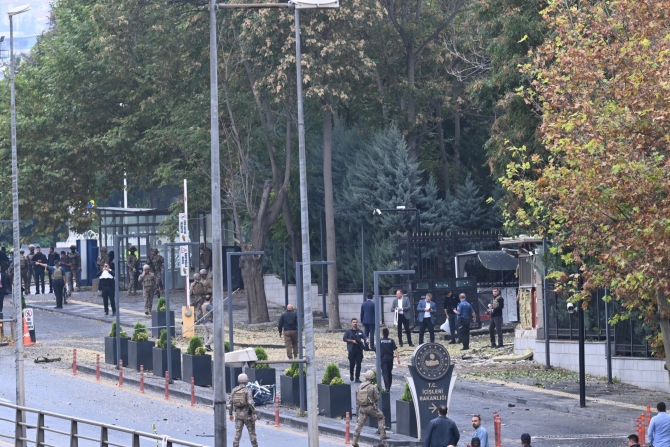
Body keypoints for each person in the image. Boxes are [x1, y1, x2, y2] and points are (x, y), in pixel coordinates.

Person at [353, 370, 389, 447]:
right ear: (372, 378)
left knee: (359, 424)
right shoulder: (373, 387)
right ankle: (383, 434)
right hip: (371, 408)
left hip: (362, 408)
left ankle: (354, 441)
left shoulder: (361, 386)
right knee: (381, 417)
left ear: (365, 377)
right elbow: (378, 397)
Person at [228, 373, 257, 447]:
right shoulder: (247, 390)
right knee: (252, 433)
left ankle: (235, 445)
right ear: (246, 380)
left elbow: (230, 403)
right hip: (247, 415)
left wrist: (230, 414)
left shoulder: (234, 390)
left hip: (238, 415)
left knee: (238, 433)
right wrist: (254, 412)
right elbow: (250, 403)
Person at [343, 318, 368, 383]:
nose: (355, 323)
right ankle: (351, 374)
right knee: (352, 364)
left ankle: (357, 377)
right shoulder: (348, 331)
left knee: (359, 364)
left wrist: (367, 340)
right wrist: (351, 341)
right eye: (354, 322)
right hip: (351, 349)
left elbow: (364, 336)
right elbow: (344, 339)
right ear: (351, 323)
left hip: (359, 349)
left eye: (356, 322)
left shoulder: (360, 331)